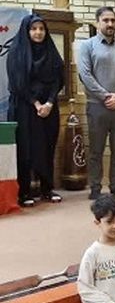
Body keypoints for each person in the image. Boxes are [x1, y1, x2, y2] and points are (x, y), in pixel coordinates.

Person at [78, 6, 115, 200]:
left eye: (113, 20)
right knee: (96, 150)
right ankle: (95, 187)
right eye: (106, 20)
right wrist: (105, 96)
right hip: (97, 106)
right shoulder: (87, 46)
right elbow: (85, 75)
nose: (110, 24)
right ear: (98, 23)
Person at [7, 14, 64, 207]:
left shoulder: (51, 52)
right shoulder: (16, 52)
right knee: (26, 150)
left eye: (41, 29)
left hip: (48, 109)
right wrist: (36, 104)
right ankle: (24, 192)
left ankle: (47, 189)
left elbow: (58, 79)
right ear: (26, 31)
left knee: (47, 147)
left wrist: (49, 102)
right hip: (24, 108)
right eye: (34, 29)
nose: (38, 32)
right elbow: (18, 83)